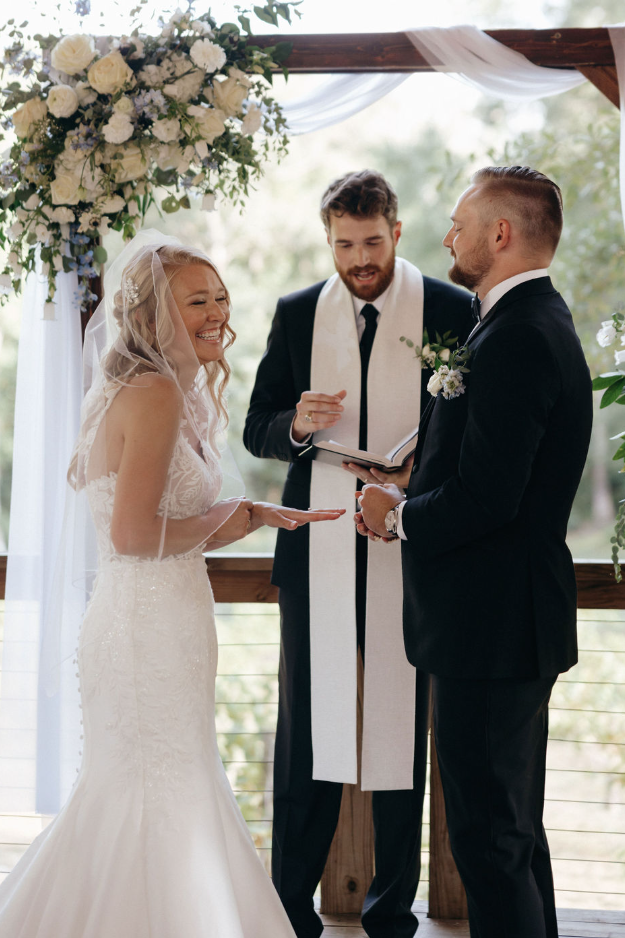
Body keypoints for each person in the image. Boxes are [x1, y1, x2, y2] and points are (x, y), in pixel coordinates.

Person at [0, 230, 345, 938]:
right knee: (154, 792)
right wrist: (236, 515)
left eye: (220, 297)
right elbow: (134, 536)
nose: (217, 312)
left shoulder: (156, 389)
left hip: (158, 614)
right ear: (150, 313)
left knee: (158, 787)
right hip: (147, 627)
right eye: (196, 299)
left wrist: (245, 516)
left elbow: (160, 519)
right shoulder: (155, 392)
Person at [358, 166, 593, 938]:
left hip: (490, 628)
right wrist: (420, 470)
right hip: (503, 623)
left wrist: (397, 516)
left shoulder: (518, 335)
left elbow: (491, 501)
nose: (448, 235)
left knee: (490, 843)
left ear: (502, 233)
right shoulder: (524, 321)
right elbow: (493, 472)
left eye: (461, 222)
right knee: (511, 837)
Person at [244, 170, 473, 938]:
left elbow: (468, 424)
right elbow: (257, 427)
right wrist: (298, 427)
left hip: (413, 540)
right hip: (319, 541)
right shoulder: (296, 312)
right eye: (344, 245)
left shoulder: (451, 307)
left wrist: (416, 476)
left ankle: (390, 912)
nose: (359, 259)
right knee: (306, 728)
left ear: (397, 232)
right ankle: (288, 910)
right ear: (329, 240)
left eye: (372, 242)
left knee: (404, 728)